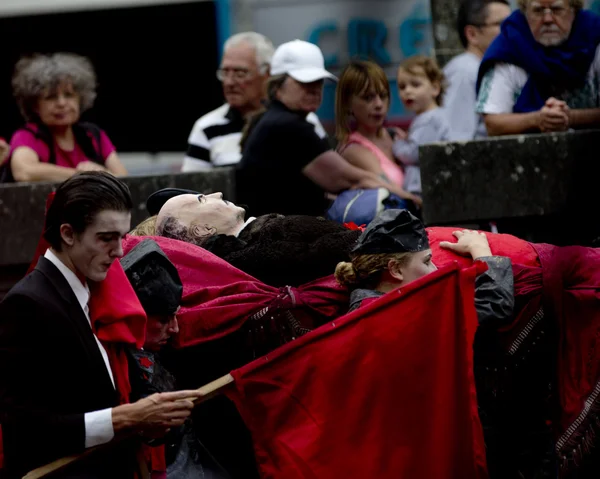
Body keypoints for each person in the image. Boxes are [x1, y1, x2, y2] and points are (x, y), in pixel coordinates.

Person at [0, 172, 199, 478]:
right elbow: (24, 430)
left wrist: (145, 419)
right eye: (106, 238)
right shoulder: (28, 304)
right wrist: (127, 418)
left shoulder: (90, 292)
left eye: (121, 237)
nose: (119, 251)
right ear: (68, 234)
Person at [236, 39, 394, 217]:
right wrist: (412, 200)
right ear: (278, 86)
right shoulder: (288, 125)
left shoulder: (278, 119)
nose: (314, 89)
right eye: (304, 82)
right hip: (277, 236)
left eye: (318, 82)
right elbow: (351, 179)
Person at [122, 239, 229, 479]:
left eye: (175, 316)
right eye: (163, 320)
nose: (174, 329)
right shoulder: (117, 363)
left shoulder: (159, 350)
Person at [335, 209, 514, 324]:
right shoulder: (402, 315)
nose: (436, 269)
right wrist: (480, 248)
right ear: (395, 269)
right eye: (426, 261)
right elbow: (494, 306)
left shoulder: (365, 304)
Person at [152, 189, 361, 287]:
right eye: (202, 199)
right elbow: (354, 245)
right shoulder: (276, 235)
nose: (218, 194)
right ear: (202, 230)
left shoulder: (236, 266)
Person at [475, 0, 600, 136]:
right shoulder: (508, 47)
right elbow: (493, 123)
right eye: (538, 11)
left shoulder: (595, 38)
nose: (547, 19)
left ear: (573, 10)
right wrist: (537, 119)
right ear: (525, 12)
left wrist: (569, 117)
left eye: (557, 9)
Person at [4, 53, 127, 183]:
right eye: (51, 97)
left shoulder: (94, 135)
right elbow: (24, 172)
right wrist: (83, 175)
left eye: (69, 95)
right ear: (35, 105)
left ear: (80, 99)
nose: (62, 103)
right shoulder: (28, 136)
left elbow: (126, 180)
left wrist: (101, 173)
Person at [182, 32, 275, 172]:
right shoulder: (206, 128)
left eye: (240, 73)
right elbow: (191, 190)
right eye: (225, 72)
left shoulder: (299, 121)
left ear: (267, 73)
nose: (229, 82)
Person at [335, 60, 420, 205]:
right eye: (368, 98)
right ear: (348, 104)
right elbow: (392, 190)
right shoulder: (353, 149)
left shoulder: (395, 135)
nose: (379, 104)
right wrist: (425, 204)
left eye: (383, 95)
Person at [443, 0, 512, 140]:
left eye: (513, 23)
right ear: (472, 34)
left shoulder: (494, 66)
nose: (512, 30)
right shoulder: (465, 70)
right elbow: (457, 138)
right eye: (502, 24)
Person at [393, 56, 451, 200]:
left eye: (415, 84)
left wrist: (397, 144)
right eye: (402, 86)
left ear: (435, 88)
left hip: (423, 192)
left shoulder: (430, 119)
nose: (407, 91)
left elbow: (414, 153)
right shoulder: (428, 117)